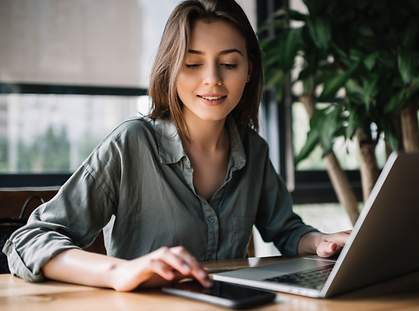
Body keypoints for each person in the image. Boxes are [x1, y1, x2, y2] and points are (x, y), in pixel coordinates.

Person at [3, 0, 350, 292]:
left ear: (249, 71)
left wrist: (320, 241)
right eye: (193, 64)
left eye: (229, 64)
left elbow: (286, 230)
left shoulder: (253, 150)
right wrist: (118, 271)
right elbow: (30, 240)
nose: (212, 79)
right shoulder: (132, 144)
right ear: (170, 70)